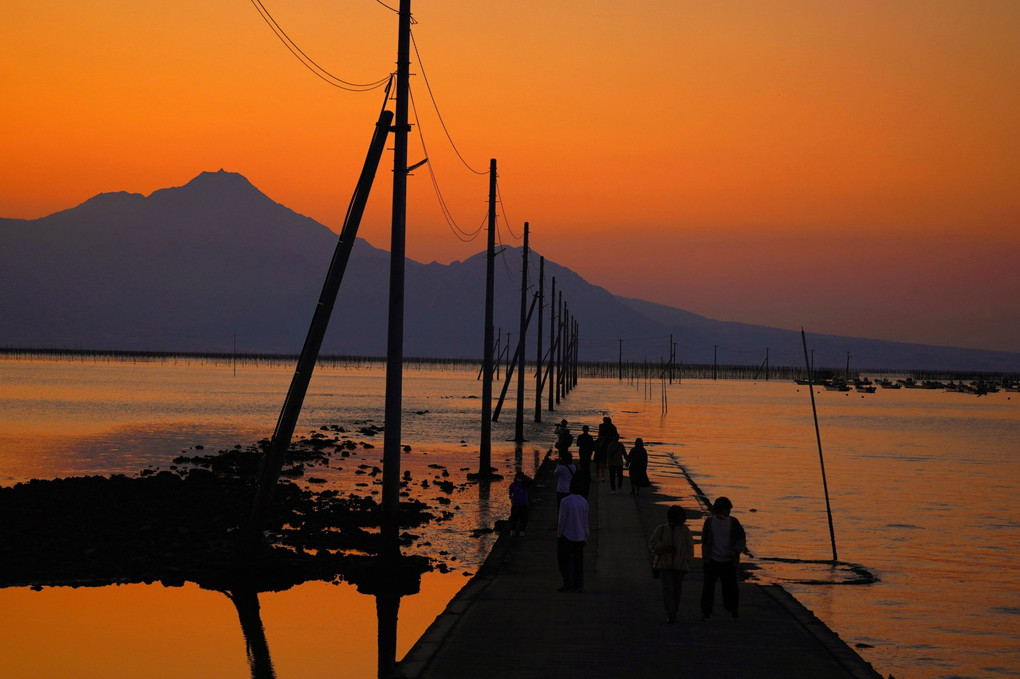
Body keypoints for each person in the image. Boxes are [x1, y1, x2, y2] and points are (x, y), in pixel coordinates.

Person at [700, 496, 747, 620]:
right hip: (712, 560)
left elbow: (741, 538)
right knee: (708, 588)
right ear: (720, 510)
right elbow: (705, 541)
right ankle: (706, 612)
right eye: (727, 509)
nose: (729, 512)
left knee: (731, 588)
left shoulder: (734, 522)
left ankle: (733, 610)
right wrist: (706, 559)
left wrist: (735, 551)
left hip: (729, 561)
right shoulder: (709, 523)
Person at [649, 505, 695, 623]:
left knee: (677, 591)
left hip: (680, 566)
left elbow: (690, 548)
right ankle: (671, 613)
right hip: (664, 566)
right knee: (668, 590)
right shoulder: (662, 529)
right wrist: (664, 547)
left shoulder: (685, 530)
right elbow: (652, 544)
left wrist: (686, 560)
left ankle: (673, 611)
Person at [556, 476, 589, 592]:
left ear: (570, 487)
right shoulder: (584, 501)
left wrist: (559, 534)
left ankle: (567, 583)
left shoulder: (565, 501)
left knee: (564, 561)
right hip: (579, 536)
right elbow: (585, 521)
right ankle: (578, 585)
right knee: (578, 562)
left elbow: (562, 520)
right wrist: (585, 536)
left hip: (567, 535)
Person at [508, 471, 531, 536]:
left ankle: (522, 530)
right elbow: (510, 491)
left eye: (521, 477)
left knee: (523, 518)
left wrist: (524, 477)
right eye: (518, 477)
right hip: (515, 504)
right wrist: (510, 495)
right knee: (513, 518)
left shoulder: (525, 485)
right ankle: (513, 530)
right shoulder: (513, 485)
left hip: (523, 503)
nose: (519, 478)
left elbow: (530, 480)